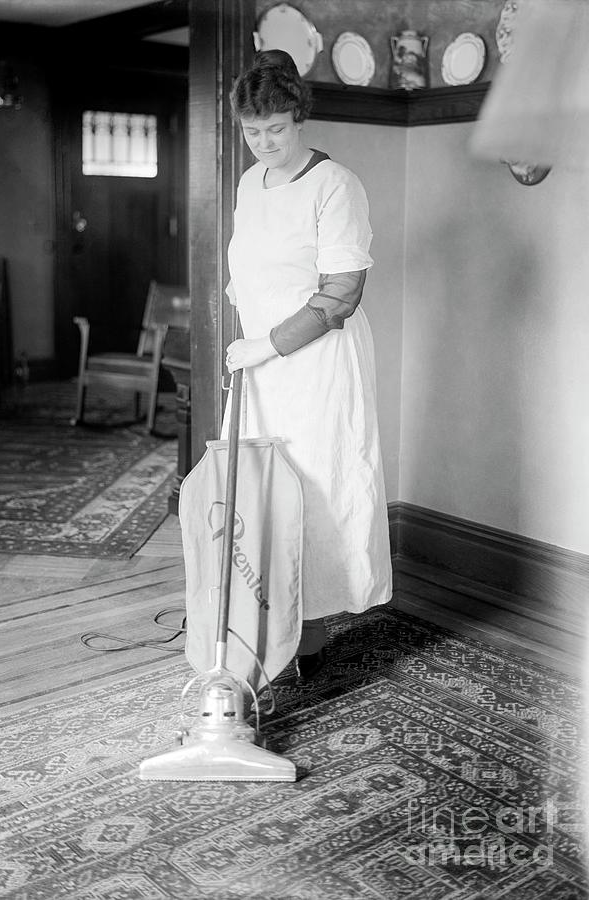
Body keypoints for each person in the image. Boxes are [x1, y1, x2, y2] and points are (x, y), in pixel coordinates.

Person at [224, 50, 392, 683]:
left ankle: (310, 637)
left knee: (316, 488)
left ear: (300, 119)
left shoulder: (335, 184)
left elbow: (340, 294)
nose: (264, 143)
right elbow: (252, 269)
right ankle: (267, 619)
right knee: (264, 490)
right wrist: (248, 337)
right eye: (252, 131)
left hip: (317, 366)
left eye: (276, 128)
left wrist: (265, 344)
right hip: (261, 364)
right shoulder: (247, 184)